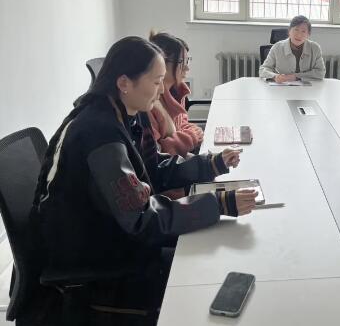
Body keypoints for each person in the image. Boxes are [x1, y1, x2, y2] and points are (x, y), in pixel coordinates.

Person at [32, 36, 257, 319]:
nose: (162, 89)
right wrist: (219, 204)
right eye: (156, 81)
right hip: (90, 251)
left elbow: (150, 170)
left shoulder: (124, 112)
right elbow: (140, 218)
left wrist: (210, 164)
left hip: (108, 227)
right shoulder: (100, 134)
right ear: (124, 83)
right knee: (202, 268)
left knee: (207, 247)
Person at [147, 31, 203, 157]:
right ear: (161, 62)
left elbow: (182, 124)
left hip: (182, 157)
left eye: (187, 61)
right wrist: (191, 137)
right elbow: (158, 153)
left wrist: (192, 133)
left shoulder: (177, 91)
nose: (187, 68)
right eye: (181, 62)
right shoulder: (148, 102)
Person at [259, 15, 326, 82]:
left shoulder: (315, 48)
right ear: (289, 31)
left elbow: (321, 72)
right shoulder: (277, 47)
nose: (299, 35)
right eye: (296, 30)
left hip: (307, 87)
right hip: (282, 86)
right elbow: (263, 69)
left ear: (308, 35)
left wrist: (296, 77)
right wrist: (275, 76)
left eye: (303, 31)